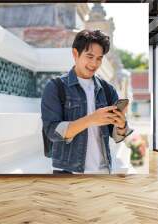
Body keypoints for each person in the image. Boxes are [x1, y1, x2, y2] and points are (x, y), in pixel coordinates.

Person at [41, 29, 133, 174]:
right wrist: (91, 119)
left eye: (99, 58)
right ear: (75, 54)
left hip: (103, 171)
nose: (94, 63)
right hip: (68, 173)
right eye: (89, 56)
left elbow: (116, 136)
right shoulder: (55, 87)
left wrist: (121, 125)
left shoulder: (107, 90)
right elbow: (52, 132)